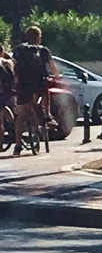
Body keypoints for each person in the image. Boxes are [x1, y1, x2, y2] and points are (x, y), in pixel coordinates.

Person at [11, 24, 58, 156]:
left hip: (23, 85)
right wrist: (57, 76)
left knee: (20, 116)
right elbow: (52, 66)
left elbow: (14, 66)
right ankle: (47, 116)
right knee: (45, 94)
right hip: (38, 84)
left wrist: (15, 81)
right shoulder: (43, 50)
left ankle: (18, 145)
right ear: (38, 37)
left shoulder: (19, 49)